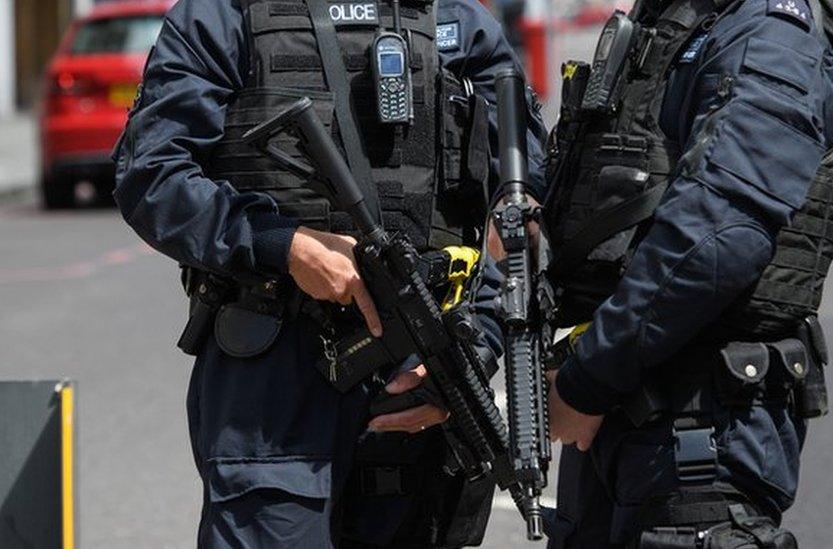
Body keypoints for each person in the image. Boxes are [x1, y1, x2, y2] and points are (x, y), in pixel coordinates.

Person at [112, 0, 546, 546]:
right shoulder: (222, 16)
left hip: (419, 372)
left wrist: (472, 352)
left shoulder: (458, 21)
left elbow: (515, 221)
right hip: (273, 374)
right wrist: (283, 245)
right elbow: (152, 179)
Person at [541, 0, 833, 546]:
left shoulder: (772, 35)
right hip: (629, 398)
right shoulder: (681, 19)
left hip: (700, 424)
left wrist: (587, 379)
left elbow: (717, 238)